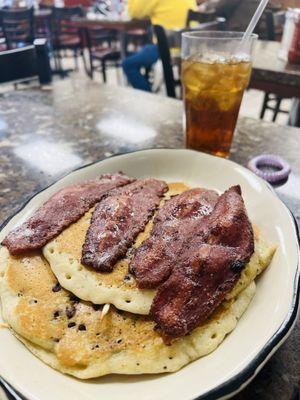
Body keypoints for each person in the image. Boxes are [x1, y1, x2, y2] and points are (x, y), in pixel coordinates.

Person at [122, 0, 197, 92]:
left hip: (167, 47)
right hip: (191, 48)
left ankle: (148, 97)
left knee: (128, 64)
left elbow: (134, 13)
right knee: (147, 46)